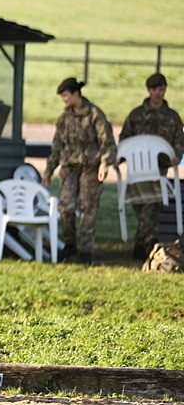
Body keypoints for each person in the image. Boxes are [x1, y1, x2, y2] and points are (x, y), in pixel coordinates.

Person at [42, 77, 117, 264]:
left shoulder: (94, 115)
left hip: (90, 168)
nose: (64, 100)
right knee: (66, 208)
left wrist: (105, 164)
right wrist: (48, 171)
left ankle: (85, 251)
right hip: (69, 168)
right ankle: (69, 245)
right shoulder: (64, 119)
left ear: (76, 94)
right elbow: (56, 145)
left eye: (66, 95)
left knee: (87, 209)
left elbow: (106, 141)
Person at [119, 72, 184, 261]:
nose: (158, 93)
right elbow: (124, 140)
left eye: (161, 89)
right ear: (148, 90)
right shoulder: (136, 115)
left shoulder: (172, 118)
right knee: (145, 207)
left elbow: (179, 142)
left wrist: (176, 157)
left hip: (159, 174)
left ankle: (148, 244)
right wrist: (120, 159)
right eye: (154, 89)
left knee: (150, 205)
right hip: (136, 175)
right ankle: (144, 243)